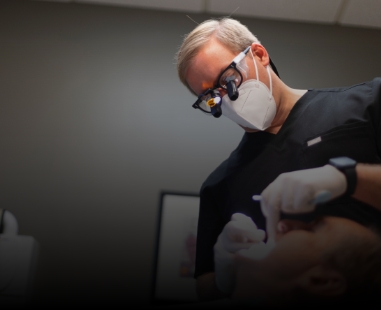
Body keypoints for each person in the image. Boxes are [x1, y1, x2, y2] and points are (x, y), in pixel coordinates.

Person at [175, 17, 381, 303]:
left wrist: (346, 178)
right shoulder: (220, 185)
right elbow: (205, 287)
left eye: (229, 80)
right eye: (211, 97)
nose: (226, 98)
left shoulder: (367, 105)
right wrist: (225, 275)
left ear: (259, 54)